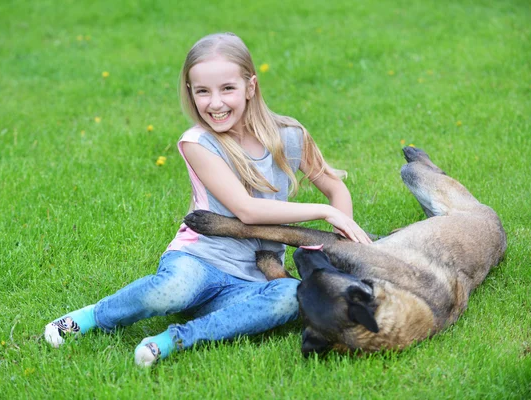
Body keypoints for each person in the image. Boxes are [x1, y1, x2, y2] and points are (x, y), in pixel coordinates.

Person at [44, 32, 371, 367]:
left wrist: (338, 251)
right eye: (202, 91)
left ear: (251, 86)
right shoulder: (198, 142)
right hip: (200, 261)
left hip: (253, 276)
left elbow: (336, 187)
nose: (215, 103)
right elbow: (247, 210)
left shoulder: (290, 136)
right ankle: (91, 318)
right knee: (173, 290)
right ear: (191, 93)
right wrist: (325, 212)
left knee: (289, 298)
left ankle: (176, 339)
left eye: (227, 88)